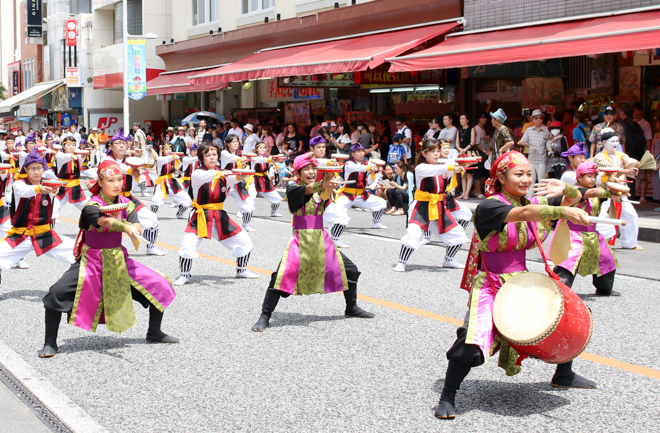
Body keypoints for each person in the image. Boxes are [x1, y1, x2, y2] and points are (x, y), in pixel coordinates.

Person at [434, 151, 595, 420]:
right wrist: (562, 209)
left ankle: (563, 374)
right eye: (518, 174)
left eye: (529, 174)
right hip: (491, 284)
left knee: (565, 316)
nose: (525, 179)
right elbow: (523, 213)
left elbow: (577, 196)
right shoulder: (489, 207)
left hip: (521, 280)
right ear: (500, 177)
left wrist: (565, 188)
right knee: (472, 341)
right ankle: (448, 396)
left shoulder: (534, 200)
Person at [38, 159, 178, 358]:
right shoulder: (91, 205)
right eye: (111, 180)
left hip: (118, 259)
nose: (117, 184)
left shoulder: (126, 203)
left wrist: (133, 228)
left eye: (119, 179)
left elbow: (136, 226)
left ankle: (154, 333)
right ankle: (50, 343)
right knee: (56, 293)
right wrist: (124, 226)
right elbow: (103, 220)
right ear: (101, 182)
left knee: (160, 282)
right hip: (92, 260)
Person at [251, 153, 374, 332]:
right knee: (280, 277)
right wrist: (322, 183)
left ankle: (351, 307)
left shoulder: (320, 190)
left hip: (321, 238)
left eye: (313, 168)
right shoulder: (293, 189)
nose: (310, 172)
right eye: (306, 169)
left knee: (351, 270)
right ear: (298, 172)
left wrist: (329, 176)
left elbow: (323, 193)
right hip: (301, 239)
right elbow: (308, 190)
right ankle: (265, 316)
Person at [174, 141, 257, 285]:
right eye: (208, 155)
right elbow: (212, 175)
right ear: (201, 158)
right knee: (188, 244)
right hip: (200, 215)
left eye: (214, 154)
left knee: (244, 240)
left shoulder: (223, 174)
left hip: (219, 215)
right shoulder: (197, 174)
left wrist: (240, 175)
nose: (212, 158)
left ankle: (242, 270)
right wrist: (221, 173)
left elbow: (233, 178)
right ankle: (184, 275)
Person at [0, 149, 76, 290]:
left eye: (39, 168)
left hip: (44, 234)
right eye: (32, 168)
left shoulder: (49, 184)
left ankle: (73, 286)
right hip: (20, 235)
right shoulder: (18, 184)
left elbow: (54, 191)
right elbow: (24, 191)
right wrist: (39, 188)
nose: (36, 172)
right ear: (26, 169)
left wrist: (53, 190)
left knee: (80, 252)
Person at [395, 139, 471, 272]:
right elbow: (437, 169)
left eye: (437, 151)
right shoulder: (421, 168)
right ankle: (401, 262)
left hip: (438, 207)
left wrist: (460, 165)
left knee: (459, 234)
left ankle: (449, 260)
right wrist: (452, 166)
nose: (436, 154)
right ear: (424, 153)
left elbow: (447, 174)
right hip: (421, 207)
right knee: (413, 234)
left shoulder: (443, 165)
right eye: (432, 151)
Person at [553, 161, 620, 296]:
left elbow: (602, 193)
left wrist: (615, 188)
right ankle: (559, 291)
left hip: (592, 234)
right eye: (589, 176)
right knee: (567, 263)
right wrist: (608, 191)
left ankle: (605, 288)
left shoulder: (598, 190)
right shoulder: (576, 191)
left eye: (595, 176)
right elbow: (594, 192)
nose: (593, 179)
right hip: (573, 234)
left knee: (606, 260)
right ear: (579, 178)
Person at [102, 129, 165, 256]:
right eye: (118, 143)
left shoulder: (130, 160)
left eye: (123, 143)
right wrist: (131, 171)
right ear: (111, 146)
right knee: (105, 228)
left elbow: (133, 181)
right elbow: (116, 167)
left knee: (152, 218)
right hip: (108, 200)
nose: (121, 145)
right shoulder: (106, 159)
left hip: (127, 198)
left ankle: (151, 247)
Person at [328, 143, 388, 248]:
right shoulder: (349, 164)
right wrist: (369, 167)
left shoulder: (366, 162)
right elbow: (359, 168)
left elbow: (370, 170)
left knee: (381, 203)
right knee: (339, 214)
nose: (361, 154)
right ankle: (335, 237)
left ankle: (376, 223)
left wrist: (376, 173)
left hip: (361, 194)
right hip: (347, 194)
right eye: (359, 152)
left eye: (362, 151)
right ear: (353, 153)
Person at [593, 129, 642, 250]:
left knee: (631, 216)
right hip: (604, 192)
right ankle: (600, 242)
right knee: (602, 217)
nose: (615, 143)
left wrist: (637, 164)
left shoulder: (620, 154)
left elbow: (629, 160)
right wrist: (626, 171)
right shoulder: (598, 157)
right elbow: (610, 169)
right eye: (612, 141)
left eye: (617, 141)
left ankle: (630, 243)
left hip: (620, 191)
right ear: (604, 142)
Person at [221, 134, 257, 232]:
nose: (236, 143)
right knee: (214, 202)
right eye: (233, 142)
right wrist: (239, 158)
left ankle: (246, 225)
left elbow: (250, 156)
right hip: (225, 180)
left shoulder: (241, 152)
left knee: (248, 203)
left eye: (237, 141)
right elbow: (230, 157)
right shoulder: (224, 152)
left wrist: (267, 159)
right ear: (228, 144)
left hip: (237, 181)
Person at [51, 136, 91, 220]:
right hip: (61, 188)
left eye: (73, 145)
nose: (71, 147)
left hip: (75, 188)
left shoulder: (77, 157)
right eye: (68, 145)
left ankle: (91, 231)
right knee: (52, 212)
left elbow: (82, 158)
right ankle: (47, 232)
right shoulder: (59, 155)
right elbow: (62, 157)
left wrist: (84, 155)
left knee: (90, 208)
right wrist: (72, 156)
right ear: (63, 146)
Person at [151, 142, 192, 218]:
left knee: (187, 200)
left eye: (170, 149)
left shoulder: (172, 159)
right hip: (161, 183)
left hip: (171, 182)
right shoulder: (160, 159)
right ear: (162, 150)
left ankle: (180, 214)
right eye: (166, 149)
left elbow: (178, 167)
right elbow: (165, 159)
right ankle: (152, 215)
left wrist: (179, 160)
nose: (168, 150)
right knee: (156, 200)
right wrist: (173, 157)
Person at [517, 109, 550, 193]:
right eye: (536, 118)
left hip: (542, 158)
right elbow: (522, 140)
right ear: (532, 119)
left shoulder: (547, 130)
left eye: (540, 118)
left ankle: (541, 196)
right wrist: (522, 143)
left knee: (541, 179)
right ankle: (529, 196)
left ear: (542, 119)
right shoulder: (529, 130)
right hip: (532, 158)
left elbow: (550, 144)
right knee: (531, 178)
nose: (538, 119)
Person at [251, 141, 282, 217]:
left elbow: (270, 167)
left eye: (264, 147)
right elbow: (259, 160)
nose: (262, 149)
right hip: (254, 179)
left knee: (278, 198)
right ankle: (243, 212)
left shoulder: (267, 157)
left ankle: (273, 212)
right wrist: (270, 159)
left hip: (265, 179)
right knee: (250, 198)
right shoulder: (253, 157)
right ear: (256, 149)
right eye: (260, 148)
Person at [633, 103, 653, 202]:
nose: (635, 113)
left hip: (642, 152)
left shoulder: (646, 124)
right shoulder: (631, 123)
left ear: (641, 112)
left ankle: (643, 196)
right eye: (634, 111)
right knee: (631, 173)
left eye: (637, 111)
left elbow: (649, 139)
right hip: (631, 153)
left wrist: (649, 153)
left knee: (642, 175)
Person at [456, 114, 476, 200]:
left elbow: (472, 142)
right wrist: (460, 149)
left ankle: (467, 193)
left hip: (468, 152)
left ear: (467, 120)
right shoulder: (459, 131)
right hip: (461, 153)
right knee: (462, 173)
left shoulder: (472, 129)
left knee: (469, 174)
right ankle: (463, 192)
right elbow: (457, 143)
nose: (461, 120)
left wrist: (464, 150)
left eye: (463, 119)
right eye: (461, 119)